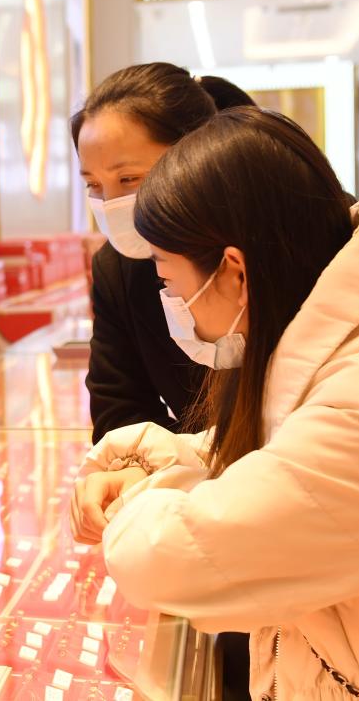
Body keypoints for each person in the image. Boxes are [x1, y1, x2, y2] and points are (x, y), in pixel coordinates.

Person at [71, 107, 359, 699]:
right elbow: (294, 462)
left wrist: (135, 498)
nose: (170, 300)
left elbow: (168, 560)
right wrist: (158, 459)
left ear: (233, 270)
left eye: (168, 280)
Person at [74, 63, 255, 443]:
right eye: (93, 185)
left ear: (194, 154)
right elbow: (117, 411)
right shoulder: (117, 268)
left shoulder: (267, 240)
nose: (111, 203)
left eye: (129, 180)